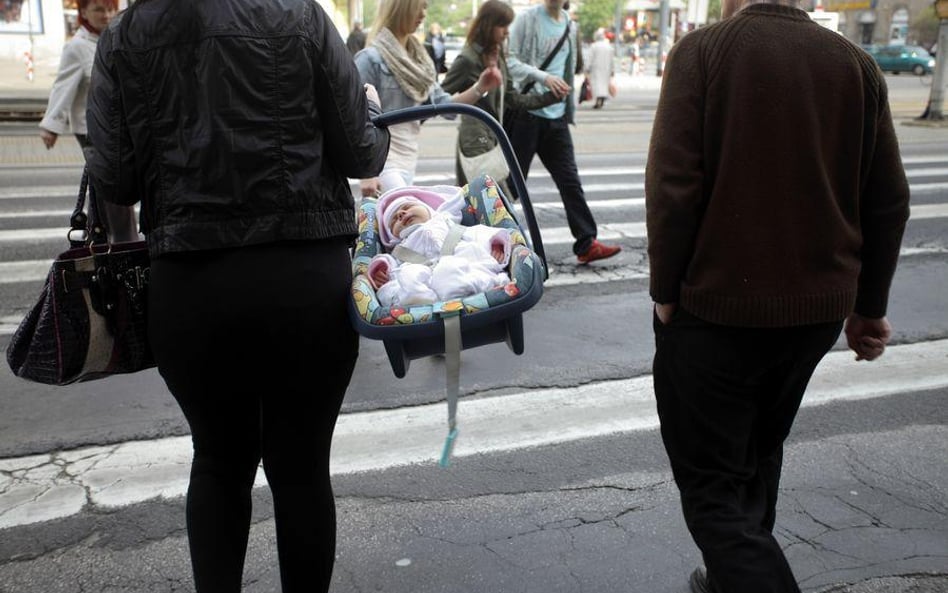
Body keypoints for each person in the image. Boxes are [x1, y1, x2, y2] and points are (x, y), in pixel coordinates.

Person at [84, 0, 390, 591]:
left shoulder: (126, 34)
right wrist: (370, 110)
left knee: (219, 462)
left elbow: (115, 178)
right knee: (300, 469)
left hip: (191, 290)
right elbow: (360, 152)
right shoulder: (300, 15)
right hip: (302, 283)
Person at [644, 0, 911, 591]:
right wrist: (868, 309)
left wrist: (666, 293)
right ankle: (728, 578)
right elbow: (887, 199)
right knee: (760, 447)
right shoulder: (855, 64)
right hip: (813, 317)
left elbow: (672, 187)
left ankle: (745, 573)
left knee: (712, 487)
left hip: (715, 312)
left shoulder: (703, 52)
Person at [506, 0, 621, 264]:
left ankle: (586, 242)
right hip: (527, 113)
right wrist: (543, 78)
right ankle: (485, 236)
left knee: (569, 180)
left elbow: (570, 69)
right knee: (512, 183)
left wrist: (569, 109)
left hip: (556, 117)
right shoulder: (527, 20)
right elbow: (510, 60)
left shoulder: (570, 26)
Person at [354, 0, 502, 197]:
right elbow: (355, 116)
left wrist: (480, 87)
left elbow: (443, 105)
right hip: (383, 161)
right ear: (400, 7)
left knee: (393, 224)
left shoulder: (420, 60)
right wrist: (367, 171)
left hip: (409, 158)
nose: (423, 14)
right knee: (411, 215)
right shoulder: (370, 59)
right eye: (418, 6)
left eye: (425, 7)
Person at [39, 0, 138, 243]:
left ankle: (100, 238)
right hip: (90, 129)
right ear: (83, 13)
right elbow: (63, 86)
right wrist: (52, 126)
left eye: (110, 9)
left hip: (113, 126)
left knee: (101, 186)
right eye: (98, 10)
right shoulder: (77, 47)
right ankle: (126, 242)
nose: (106, 15)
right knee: (112, 183)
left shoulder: (115, 37)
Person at [441, 0, 559, 196]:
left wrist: (551, 97)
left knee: (474, 206)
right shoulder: (468, 59)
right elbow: (440, 100)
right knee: (497, 203)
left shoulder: (497, 55)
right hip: (475, 140)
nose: (507, 32)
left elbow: (513, 98)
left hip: (493, 137)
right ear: (488, 25)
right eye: (502, 25)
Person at [368, 186, 512, 306]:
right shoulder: (400, 249)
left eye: (407, 207)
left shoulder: (446, 222)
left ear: (428, 209)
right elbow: (392, 264)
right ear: (393, 235)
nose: (401, 214)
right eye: (394, 220)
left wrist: (494, 242)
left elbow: (475, 232)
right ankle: (421, 299)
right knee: (406, 276)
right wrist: (382, 269)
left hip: (460, 262)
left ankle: (480, 285)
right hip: (425, 278)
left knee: (451, 266)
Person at [585, 29, 614, 109]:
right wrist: (612, 70)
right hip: (606, 69)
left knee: (597, 85)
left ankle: (598, 100)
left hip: (596, 69)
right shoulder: (609, 47)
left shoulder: (594, 46)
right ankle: (602, 99)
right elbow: (612, 60)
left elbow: (589, 58)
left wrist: (587, 68)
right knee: (604, 84)